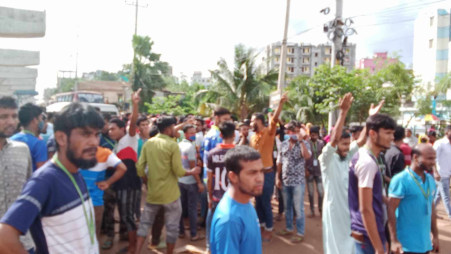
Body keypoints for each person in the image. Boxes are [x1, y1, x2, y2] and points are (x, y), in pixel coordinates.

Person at [0, 102, 105, 254]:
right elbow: (4, 236)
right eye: (85, 134)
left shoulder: (75, 172)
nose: (94, 142)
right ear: (61, 138)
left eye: (96, 134)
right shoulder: (45, 181)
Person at [135, 116, 201, 254]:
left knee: (144, 226)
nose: (175, 131)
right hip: (171, 195)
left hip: (153, 194)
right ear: (169, 128)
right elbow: (179, 171)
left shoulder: (148, 143)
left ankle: (135, 251)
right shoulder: (172, 145)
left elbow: (140, 168)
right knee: (172, 228)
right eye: (173, 128)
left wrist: (147, 182)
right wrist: (193, 171)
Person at [319, 93, 369, 254]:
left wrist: (370, 119)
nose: (347, 147)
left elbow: (360, 141)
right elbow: (333, 140)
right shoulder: (326, 158)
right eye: (343, 144)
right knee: (335, 247)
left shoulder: (349, 155)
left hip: (350, 210)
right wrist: (343, 112)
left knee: (351, 246)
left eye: (348, 144)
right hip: (334, 212)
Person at [349, 112, 396, 254]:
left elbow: (368, 194)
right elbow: (366, 209)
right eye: (388, 133)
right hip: (367, 234)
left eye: (393, 133)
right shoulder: (367, 162)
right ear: (373, 134)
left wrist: (387, 201)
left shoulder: (366, 155)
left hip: (369, 231)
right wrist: (378, 247)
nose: (392, 138)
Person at [210, 146, 263, 254]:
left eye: (261, 171)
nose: (260, 178)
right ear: (233, 177)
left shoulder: (245, 200)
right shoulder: (229, 220)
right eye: (252, 173)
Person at [250, 92, 288, 243]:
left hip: (268, 174)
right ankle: (262, 225)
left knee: (265, 201)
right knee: (258, 201)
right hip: (256, 174)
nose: (251, 123)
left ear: (260, 121)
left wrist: (280, 104)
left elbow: (275, 119)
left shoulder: (269, 131)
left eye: (253, 121)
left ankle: (269, 229)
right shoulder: (252, 137)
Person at [108, 89, 142, 254]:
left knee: (128, 216)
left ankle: (133, 248)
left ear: (122, 128)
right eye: (109, 130)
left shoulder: (129, 137)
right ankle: (131, 244)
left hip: (130, 183)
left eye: (113, 129)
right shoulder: (116, 145)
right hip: (122, 183)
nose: (110, 132)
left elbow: (133, 121)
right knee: (124, 215)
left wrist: (135, 104)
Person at [388, 144, 439, 254]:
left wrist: (435, 236)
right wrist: (394, 240)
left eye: (434, 158)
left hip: (425, 244)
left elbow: (432, 209)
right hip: (405, 246)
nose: (433, 162)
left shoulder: (430, 179)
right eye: (429, 158)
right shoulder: (400, 180)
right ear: (415, 157)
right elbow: (390, 210)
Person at [0, 97, 35, 253]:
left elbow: (29, 190)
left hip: (23, 240)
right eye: (3, 117)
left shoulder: (22, 149)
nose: (11, 122)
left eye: (14, 116)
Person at [275, 121, 311, 243]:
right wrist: (277, 177)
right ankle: (289, 228)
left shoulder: (304, 143)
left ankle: (300, 232)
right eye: (292, 131)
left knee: (298, 208)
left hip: (298, 182)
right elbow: (279, 162)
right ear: (288, 132)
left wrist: (301, 141)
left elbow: (306, 156)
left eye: (297, 131)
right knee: (287, 207)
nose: (294, 133)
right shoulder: (283, 144)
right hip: (285, 180)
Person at [81, 146, 127, 240]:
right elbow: (122, 168)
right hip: (95, 202)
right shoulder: (105, 153)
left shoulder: (74, 150)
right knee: (93, 238)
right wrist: (108, 182)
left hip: (76, 201)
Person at [203, 107, 231, 251]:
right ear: (217, 118)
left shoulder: (209, 134)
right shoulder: (217, 136)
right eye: (225, 119)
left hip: (214, 181)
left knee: (213, 213)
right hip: (217, 183)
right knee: (216, 214)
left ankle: (210, 244)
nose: (228, 122)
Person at [206, 122, 237, 248]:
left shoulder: (212, 153)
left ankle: (209, 245)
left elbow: (209, 179)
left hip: (217, 196)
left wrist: (209, 196)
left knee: (213, 219)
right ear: (234, 134)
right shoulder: (237, 153)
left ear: (220, 134)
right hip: (233, 196)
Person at [178, 124, 205, 241]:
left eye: (194, 133)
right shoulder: (191, 147)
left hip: (180, 181)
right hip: (190, 182)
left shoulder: (178, 145)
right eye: (191, 133)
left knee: (181, 208)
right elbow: (193, 168)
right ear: (185, 134)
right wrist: (199, 182)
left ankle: (181, 232)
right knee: (192, 208)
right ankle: (194, 234)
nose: (193, 135)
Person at [10, 103, 48, 171]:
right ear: (35, 121)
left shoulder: (11, 139)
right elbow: (42, 173)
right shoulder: (38, 144)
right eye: (42, 119)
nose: (44, 122)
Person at [305, 125, 325, 217]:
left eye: (316, 135)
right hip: (309, 170)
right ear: (310, 135)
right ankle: (312, 210)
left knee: (321, 192)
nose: (314, 137)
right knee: (311, 192)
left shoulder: (321, 143)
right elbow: (303, 158)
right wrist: (305, 169)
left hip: (319, 170)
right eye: (312, 135)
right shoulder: (306, 143)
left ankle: (320, 208)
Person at [433, 125, 451, 220]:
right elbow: (433, 159)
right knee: (446, 196)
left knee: (439, 195)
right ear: (447, 132)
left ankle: (429, 211)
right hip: (441, 174)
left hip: (447, 173)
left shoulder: (449, 144)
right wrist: (435, 172)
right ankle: (450, 214)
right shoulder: (439, 143)